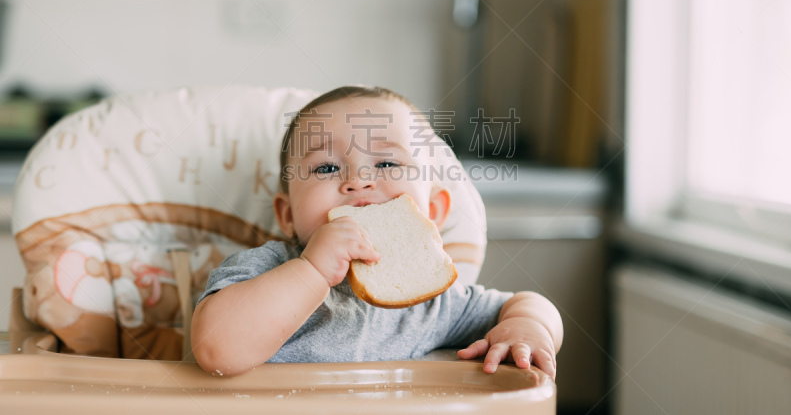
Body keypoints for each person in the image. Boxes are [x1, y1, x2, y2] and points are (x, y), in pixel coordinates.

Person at [191, 86, 563, 378]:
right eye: (325, 169)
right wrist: (313, 270)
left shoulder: (433, 302)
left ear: (430, 212)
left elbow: (523, 303)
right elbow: (215, 349)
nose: (358, 181)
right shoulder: (265, 269)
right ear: (287, 216)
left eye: (386, 162)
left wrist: (527, 328)